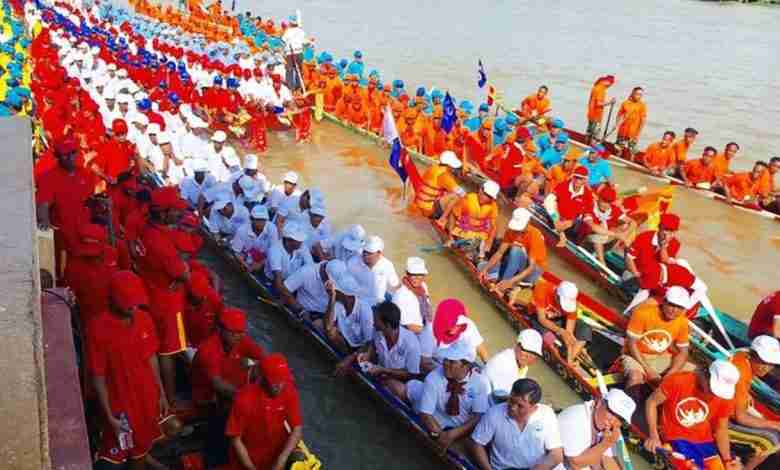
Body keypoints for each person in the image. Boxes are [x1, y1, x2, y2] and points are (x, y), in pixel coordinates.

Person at [86, 271, 167, 469]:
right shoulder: (97, 328)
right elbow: (98, 376)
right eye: (128, 302)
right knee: (118, 451)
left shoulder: (144, 319)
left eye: (136, 302)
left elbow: (151, 359)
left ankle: (144, 458)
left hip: (146, 398)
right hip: (120, 403)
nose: (134, 307)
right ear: (113, 300)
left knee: (142, 446)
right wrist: (108, 416)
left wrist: (161, 393)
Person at [644, 360, 741, 470]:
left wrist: (727, 460)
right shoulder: (679, 380)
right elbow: (651, 402)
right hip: (675, 436)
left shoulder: (725, 397)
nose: (713, 394)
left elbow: (721, 429)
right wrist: (653, 435)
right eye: (711, 387)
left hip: (704, 440)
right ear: (705, 375)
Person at [407, 341, 490, 450]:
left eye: (452, 361)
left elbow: (477, 416)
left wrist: (453, 434)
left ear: (466, 365)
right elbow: (426, 414)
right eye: (446, 359)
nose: (446, 363)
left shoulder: (480, 383)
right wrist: (441, 436)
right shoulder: (433, 378)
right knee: (405, 389)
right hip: (437, 419)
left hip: (461, 427)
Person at [225, 354, 303, 470]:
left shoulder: (289, 390)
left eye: (282, 381)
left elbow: (297, 428)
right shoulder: (244, 399)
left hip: (275, 453)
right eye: (275, 383)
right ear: (264, 379)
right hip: (250, 456)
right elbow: (235, 439)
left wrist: (282, 458)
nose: (280, 387)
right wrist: (250, 467)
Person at [336, 301, 422, 401]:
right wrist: (367, 354)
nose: (373, 322)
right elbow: (371, 343)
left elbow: (412, 374)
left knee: (397, 389)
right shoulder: (378, 331)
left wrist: (384, 370)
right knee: (347, 369)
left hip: (397, 380)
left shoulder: (411, 344)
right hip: (379, 371)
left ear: (387, 325)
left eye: (376, 320)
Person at [469, 378, 563, 470]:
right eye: (511, 401)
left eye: (520, 406)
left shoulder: (547, 415)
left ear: (533, 407)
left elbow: (556, 454)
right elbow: (477, 444)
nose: (513, 408)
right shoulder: (494, 413)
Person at [620, 286, 691, 391]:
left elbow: (683, 352)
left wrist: (669, 375)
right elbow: (631, 344)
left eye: (679, 307)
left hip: (659, 357)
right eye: (671, 305)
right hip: (634, 356)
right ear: (664, 301)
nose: (674, 310)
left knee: (695, 372)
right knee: (636, 378)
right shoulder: (642, 313)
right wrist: (649, 371)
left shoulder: (683, 322)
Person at [191, 308, 266, 405]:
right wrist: (245, 397)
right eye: (233, 332)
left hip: (226, 380)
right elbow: (218, 384)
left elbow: (265, 359)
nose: (238, 336)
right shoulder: (208, 349)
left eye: (241, 332)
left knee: (259, 368)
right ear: (220, 329)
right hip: (204, 394)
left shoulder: (241, 339)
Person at [729, 335, 780, 470]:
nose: (766, 368)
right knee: (771, 440)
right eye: (763, 362)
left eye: (771, 364)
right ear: (753, 354)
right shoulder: (740, 373)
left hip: (731, 412)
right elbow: (740, 417)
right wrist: (776, 425)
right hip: (721, 419)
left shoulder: (742, 356)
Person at [557, 389, 636, 470]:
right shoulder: (575, 419)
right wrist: (606, 443)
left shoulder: (607, 429)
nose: (613, 421)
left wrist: (606, 444)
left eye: (621, 419)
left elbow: (607, 460)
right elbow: (575, 464)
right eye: (612, 413)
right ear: (599, 402)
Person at [479, 207, 546, 293]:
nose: (517, 232)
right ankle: (503, 281)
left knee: (515, 250)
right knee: (482, 266)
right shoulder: (510, 231)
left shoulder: (535, 235)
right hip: (517, 266)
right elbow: (499, 253)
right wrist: (485, 269)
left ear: (528, 222)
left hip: (533, 271)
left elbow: (531, 267)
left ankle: (503, 285)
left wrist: (509, 282)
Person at [531, 279, 591, 364]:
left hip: (559, 321)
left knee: (585, 329)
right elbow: (541, 319)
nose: (563, 308)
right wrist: (560, 331)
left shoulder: (572, 304)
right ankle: (556, 350)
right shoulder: (542, 288)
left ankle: (568, 360)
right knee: (545, 333)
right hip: (540, 318)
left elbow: (569, 332)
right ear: (557, 295)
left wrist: (570, 351)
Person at [393, 257, 435, 368]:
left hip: (424, 327)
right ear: (407, 274)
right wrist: (428, 331)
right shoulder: (401, 295)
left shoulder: (423, 287)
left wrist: (432, 325)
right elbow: (407, 325)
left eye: (420, 275)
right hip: (410, 334)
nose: (416, 278)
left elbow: (428, 305)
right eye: (413, 275)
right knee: (426, 364)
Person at [446, 179, 500, 261]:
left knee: (488, 247)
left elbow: (493, 226)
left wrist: (489, 242)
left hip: (479, 235)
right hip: (462, 232)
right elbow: (453, 215)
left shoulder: (493, 205)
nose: (486, 198)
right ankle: (474, 256)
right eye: (485, 194)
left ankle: (481, 258)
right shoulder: (467, 199)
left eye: (489, 197)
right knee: (471, 247)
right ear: (480, 190)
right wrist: (450, 236)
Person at [581, 185, 634, 265]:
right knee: (599, 231)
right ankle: (602, 262)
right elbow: (593, 227)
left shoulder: (614, 209)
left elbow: (633, 223)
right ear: (598, 198)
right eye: (604, 201)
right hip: (584, 237)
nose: (606, 205)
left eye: (609, 202)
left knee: (624, 226)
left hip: (602, 239)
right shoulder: (590, 206)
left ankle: (600, 254)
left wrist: (625, 235)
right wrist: (617, 235)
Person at [323, 271, 375, 353]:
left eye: (336, 291)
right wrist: (332, 297)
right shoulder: (337, 304)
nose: (334, 292)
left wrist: (355, 355)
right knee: (330, 332)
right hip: (345, 342)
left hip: (361, 348)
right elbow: (328, 327)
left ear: (346, 295)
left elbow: (368, 341)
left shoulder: (364, 309)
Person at [483, 329, 543, 401]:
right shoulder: (503, 362)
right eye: (525, 350)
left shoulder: (522, 365)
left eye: (533, 354)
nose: (528, 356)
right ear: (517, 345)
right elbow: (500, 395)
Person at [282, 258, 347, 323]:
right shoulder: (307, 271)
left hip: (324, 316)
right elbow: (284, 289)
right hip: (302, 309)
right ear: (324, 273)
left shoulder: (343, 282)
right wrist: (300, 310)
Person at [543, 166, 594, 247]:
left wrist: (571, 222)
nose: (577, 180)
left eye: (580, 178)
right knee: (552, 205)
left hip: (572, 223)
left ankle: (564, 235)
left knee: (581, 224)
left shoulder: (588, 194)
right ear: (573, 177)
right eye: (576, 177)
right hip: (556, 218)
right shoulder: (563, 185)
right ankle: (562, 235)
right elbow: (548, 201)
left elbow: (588, 214)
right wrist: (556, 219)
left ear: (585, 180)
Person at [625, 213, 682, 284]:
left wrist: (663, 246)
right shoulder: (644, 237)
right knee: (626, 276)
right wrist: (636, 274)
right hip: (635, 271)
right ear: (659, 227)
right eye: (666, 230)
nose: (669, 234)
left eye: (672, 231)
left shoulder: (675, 244)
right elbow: (629, 258)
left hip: (654, 277)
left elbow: (665, 262)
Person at [346, 235, 400, 305]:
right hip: (358, 303)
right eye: (364, 251)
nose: (365, 254)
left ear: (379, 253)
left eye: (369, 252)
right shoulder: (352, 262)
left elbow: (395, 285)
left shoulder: (387, 265)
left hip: (379, 304)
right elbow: (345, 285)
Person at [433, 298, 489, 363]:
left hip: (465, 363)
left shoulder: (468, 325)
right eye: (452, 324)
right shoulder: (433, 332)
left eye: (458, 324)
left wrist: (487, 366)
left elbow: (481, 350)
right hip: (441, 362)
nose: (455, 328)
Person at [414, 150, 466, 220]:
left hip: (420, 204)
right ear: (449, 165)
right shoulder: (444, 175)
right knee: (456, 196)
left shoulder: (433, 167)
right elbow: (462, 193)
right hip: (429, 210)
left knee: (450, 193)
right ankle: (443, 219)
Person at [264, 221, 314, 294]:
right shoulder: (274, 250)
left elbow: (311, 267)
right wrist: (287, 297)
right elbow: (278, 280)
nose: (301, 242)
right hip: (273, 282)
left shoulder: (302, 247)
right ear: (288, 240)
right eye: (298, 240)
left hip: (291, 282)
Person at [231, 205, 279, 273]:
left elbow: (274, 252)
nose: (260, 223)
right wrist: (244, 264)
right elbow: (236, 252)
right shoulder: (242, 230)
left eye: (263, 220)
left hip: (266, 260)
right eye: (257, 219)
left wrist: (261, 263)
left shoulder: (272, 229)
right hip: (246, 257)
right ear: (251, 219)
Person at [615, 86, 647, 156]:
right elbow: (619, 115)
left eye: (641, 95)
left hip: (633, 133)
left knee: (632, 152)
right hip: (623, 131)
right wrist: (616, 124)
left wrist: (638, 133)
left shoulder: (642, 105)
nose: (639, 96)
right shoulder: (625, 103)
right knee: (618, 149)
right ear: (633, 93)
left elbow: (643, 120)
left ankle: (631, 162)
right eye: (637, 94)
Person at [586, 75, 616, 141]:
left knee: (590, 131)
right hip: (596, 114)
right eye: (610, 84)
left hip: (591, 113)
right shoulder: (600, 89)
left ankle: (586, 144)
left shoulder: (596, 87)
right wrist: (610, 102)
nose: (610, 86)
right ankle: (592, 148)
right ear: (607, 81)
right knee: (595, 134)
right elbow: (599, 103)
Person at [281, 15, 305, 91]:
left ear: (290, 23)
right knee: (299, 70)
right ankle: (299, 87)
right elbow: (304, 41)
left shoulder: (288, 31)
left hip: (291, 53)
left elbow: (283, 40)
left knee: (289, 70)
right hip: (299, 53)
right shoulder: (301, 31)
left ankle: (290, 88)